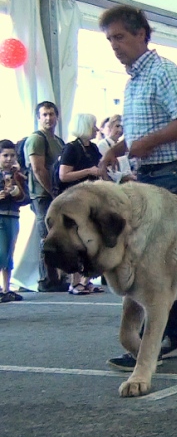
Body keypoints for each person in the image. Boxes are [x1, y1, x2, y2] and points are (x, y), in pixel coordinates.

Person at [98, 4, 177, 370]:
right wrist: (119, 146)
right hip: (152, 175)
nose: (114, 45)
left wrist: (148, 143)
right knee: (150, 262)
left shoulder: (163, 72)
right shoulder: (134, 81)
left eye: (120, 37)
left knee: (152, 261)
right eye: (110, 39)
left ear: (142, 34)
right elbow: (140, 131)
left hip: (172, 172)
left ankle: (172, 333)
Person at [24, 101, 69, 292]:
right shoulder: (36, 139)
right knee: (46, 236)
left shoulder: (58, 141)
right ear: (38, 117)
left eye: (51, 114)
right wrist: (53, 191)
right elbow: (38, 169)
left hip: (56, 195)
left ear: (57, 117)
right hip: (42, 195)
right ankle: (46, 279)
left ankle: (56, 277)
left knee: (56, 235)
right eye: (44, 114)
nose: (48, 118)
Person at [59, 113, 105, 294]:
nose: (97, 129)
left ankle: (86, 280)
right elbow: (63, 175)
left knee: (92, 240)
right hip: (74, 200)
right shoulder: (71, 148)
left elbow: (101, 167)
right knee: (77, 240)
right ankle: (75, 281)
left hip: (91, 198)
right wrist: (88, 171)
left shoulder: (93, 148)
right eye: (94, 125)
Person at [0, 140, 27, 303]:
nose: (9, 159)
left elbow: (25, 198)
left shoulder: (18, 175)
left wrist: (17, 191)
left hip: (13, 216)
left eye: (12, 155)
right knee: (1, 251)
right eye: (5, 155)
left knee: (9, 252)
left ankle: (6, 288)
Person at [96, 114, 135, 183]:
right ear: (110, 126)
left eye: (122, 127)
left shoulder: (122, 146)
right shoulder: (103, 144)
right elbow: (107, 169)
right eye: (117, 126)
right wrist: (124, 177)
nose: (120, 130)